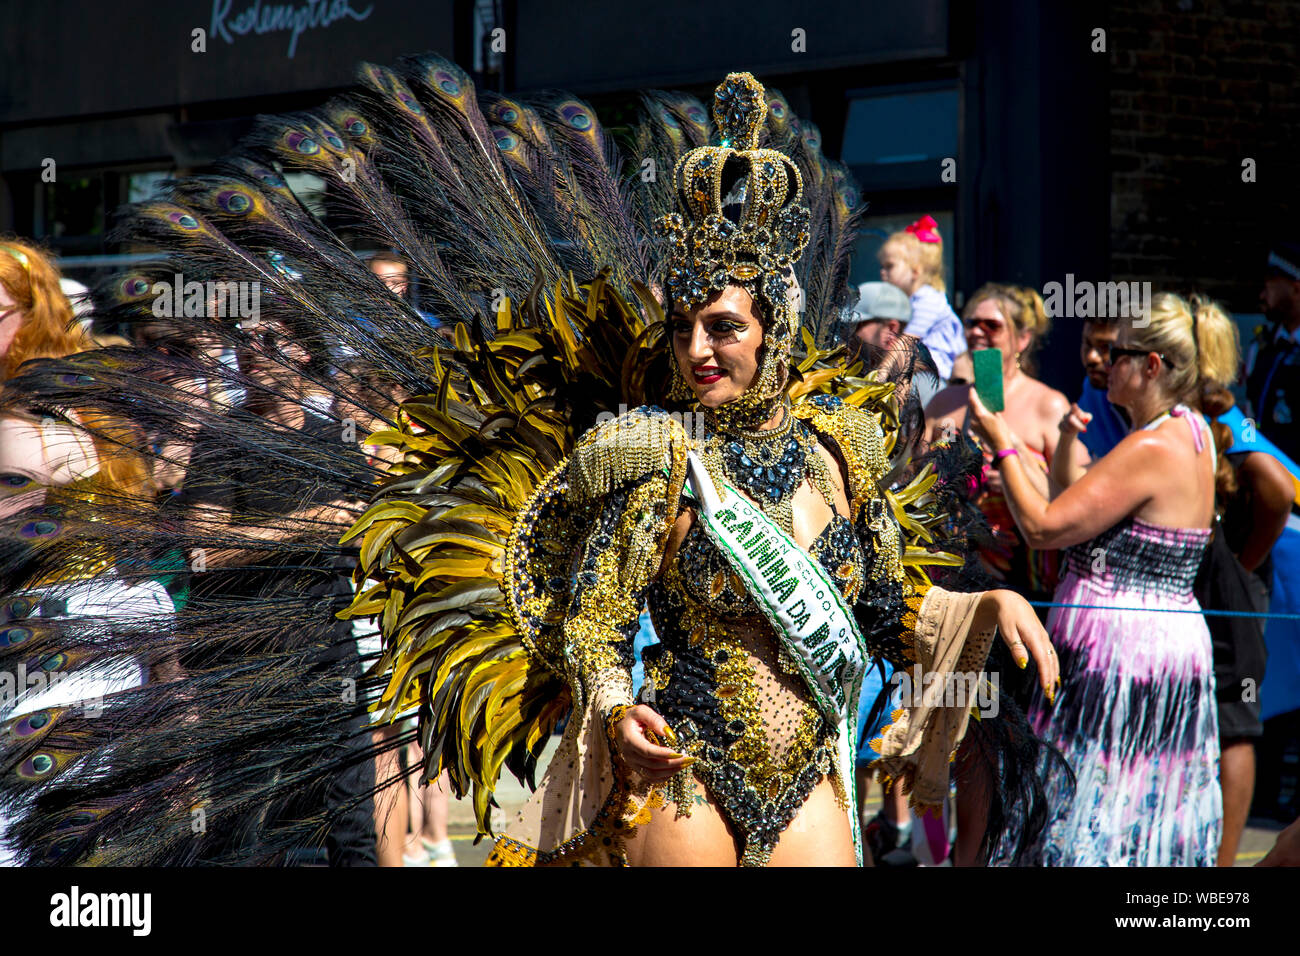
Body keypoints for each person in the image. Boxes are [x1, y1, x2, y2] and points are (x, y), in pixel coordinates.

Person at [478, 73, 1057, 867]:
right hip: (686, 766)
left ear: (774, 328)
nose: (695, 351)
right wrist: (616, 712)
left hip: (814, 770)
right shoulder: (655, 456)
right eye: (683, 327)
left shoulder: (841, 452)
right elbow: (597, 623)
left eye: (722, 327)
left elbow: (885, 613)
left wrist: (983, 603)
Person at [970, 292, 1239, 865]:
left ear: (1152, 366)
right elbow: (1079, 499)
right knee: (1139, 812)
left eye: (1118, 352)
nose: (1102, 362)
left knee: (1089, 809)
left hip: (1122, 653)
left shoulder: (1150, 446)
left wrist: (1002, 443)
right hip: (1164, 644)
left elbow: (1044, 526)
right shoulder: (1190, 431)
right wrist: (1066, 440)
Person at [926, 284, 1089, 603]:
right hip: (952, 573)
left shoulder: (1048, 404)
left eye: (992, 325)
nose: (978, 332)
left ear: (1022, 339)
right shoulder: (945, 403)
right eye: (971, 323)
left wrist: (1016, 475)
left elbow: (1073, 498)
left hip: (1025, 579)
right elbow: (913, 482)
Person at [1197, 383, 1295, 865]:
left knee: (1236, 722)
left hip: (1230, 600)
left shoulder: (1234, 424)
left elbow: (1280, 487)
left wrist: (1242, 566)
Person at [878, 216, 965, 382]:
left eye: (890, 266)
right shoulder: (908, 302)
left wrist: (881, 374)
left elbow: (906, 342)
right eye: (882, 266)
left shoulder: (928, 299)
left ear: (915, 271)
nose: (883, 272)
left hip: (938, 378)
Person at [1246, 239, 1300, 464]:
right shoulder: (1263, 348)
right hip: (1266, 480)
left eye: (1270, 282)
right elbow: (1250, 415)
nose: (1262, 294)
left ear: (1296, 287)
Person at [1075, 317, 1130, 459]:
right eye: (1087, 344)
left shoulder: (1176, 419)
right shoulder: (1091, 393)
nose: (1091, 357)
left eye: (1106, 347)